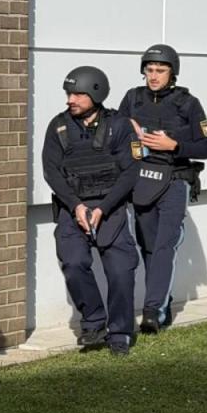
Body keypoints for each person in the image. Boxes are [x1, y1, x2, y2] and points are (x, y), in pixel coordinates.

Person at [116, 44, 207, 334]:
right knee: (147, 246)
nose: (154, 75)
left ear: (172, 73)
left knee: (164, 245)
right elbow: (115, 138)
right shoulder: (132, 99)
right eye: (150, 69)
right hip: (143, 181)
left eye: (160, 70)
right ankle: (163, 302)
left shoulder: (188, 103)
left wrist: (175, 145)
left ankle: (152, 312)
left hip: (175, 181)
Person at [41, 66, 140, 355]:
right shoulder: (58, 127)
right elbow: (51, 172)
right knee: (73, 264)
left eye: (77, 94)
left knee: (121, 271)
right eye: (68, 93)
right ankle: (94, 324)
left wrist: (103, 208)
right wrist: (76, 206)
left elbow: (131, 172)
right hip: (73, 208)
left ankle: (120, 333)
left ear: (95, 94)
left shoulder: (120, 126)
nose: (70, 99)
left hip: (111, 208)